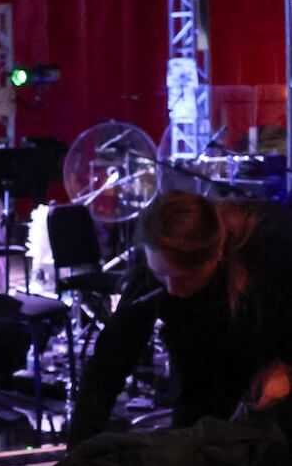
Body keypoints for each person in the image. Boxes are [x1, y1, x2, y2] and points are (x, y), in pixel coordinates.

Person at [67, 190, 292, 446]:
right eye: (162, 276)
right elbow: (108, 365)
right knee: (194, 441)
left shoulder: (272, 245)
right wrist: (75, 454)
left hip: (272, 344)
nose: (172, 289)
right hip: (198, 353)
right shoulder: (154, 265)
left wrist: (285, 368)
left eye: (185, 278)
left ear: (217, 254)